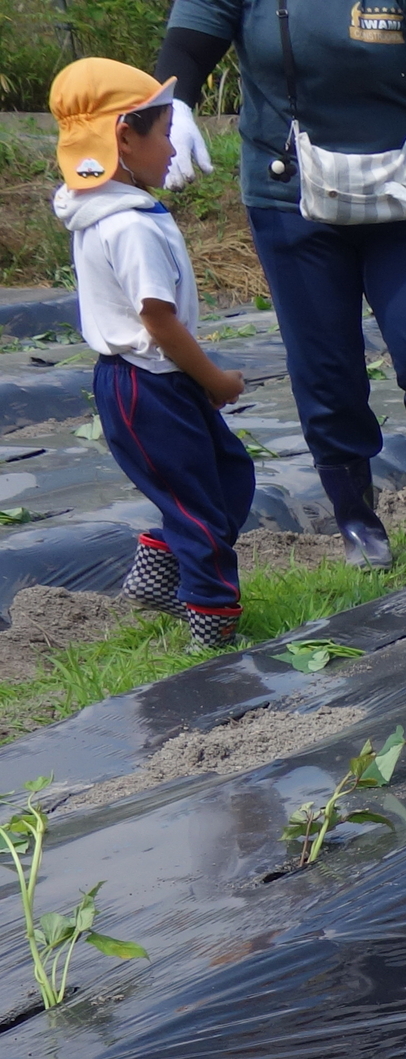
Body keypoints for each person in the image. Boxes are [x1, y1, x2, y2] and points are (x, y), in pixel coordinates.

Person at [152, 0, 406, 568]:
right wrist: (176, 103)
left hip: (402, 196)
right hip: (289, 196)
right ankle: (355, 513)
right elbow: (189, 47)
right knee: (326, 367)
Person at [49, 61, 255, 653]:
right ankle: (213, 629)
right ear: (123, 138)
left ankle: (156, 577)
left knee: (229, 479)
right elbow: (157, 320)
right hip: (147, 386)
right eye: (166, 132)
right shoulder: (127, 226)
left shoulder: (105, 207)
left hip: (157, 381)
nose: (174, 149)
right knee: (197, 508)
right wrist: (213, 376)